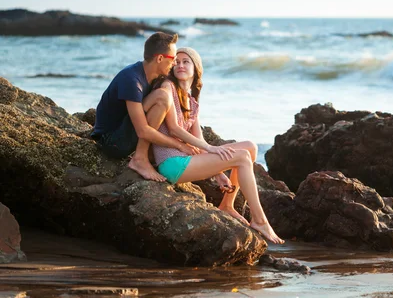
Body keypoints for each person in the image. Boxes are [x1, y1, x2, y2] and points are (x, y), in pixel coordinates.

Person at [152, 47, 284, 244]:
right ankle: (259, 220)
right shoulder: (168, 87)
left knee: (250, 147)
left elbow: (200, 141)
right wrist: (214, 152)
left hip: (187, 160)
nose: (180, 65)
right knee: (241, 158)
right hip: (171, 164)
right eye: (177, 61)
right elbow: (175, 130)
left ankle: (227, 205)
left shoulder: (192, 101)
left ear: (196, 68)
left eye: (185, 61)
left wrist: (218, 171)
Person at [91, 32, 200, 182]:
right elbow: (142, 131)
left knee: (163, 96)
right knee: (162, 97)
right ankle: (140, 159)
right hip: (112, 141)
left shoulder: (154, 76)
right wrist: (180, 146)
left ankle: (146, 156)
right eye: (173, 59)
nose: (175, 63)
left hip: (127, 133)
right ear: (160, 58)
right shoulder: (131, 79)